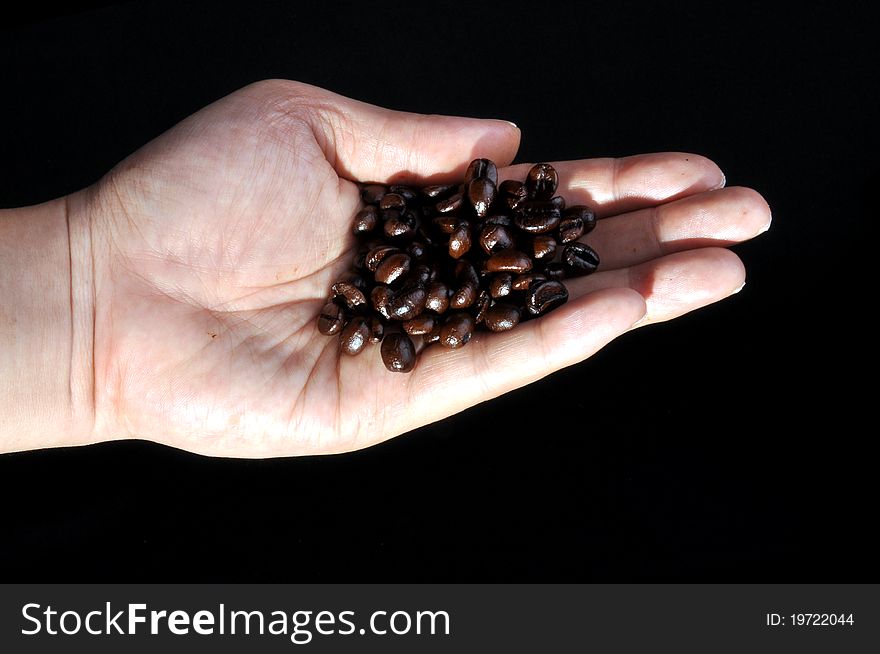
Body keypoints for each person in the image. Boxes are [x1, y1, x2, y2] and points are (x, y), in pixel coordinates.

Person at [0, 79, 770, 458]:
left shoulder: (445, 258)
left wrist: (88, 296)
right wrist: (88, 288)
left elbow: (470, 258)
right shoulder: (407, 259)